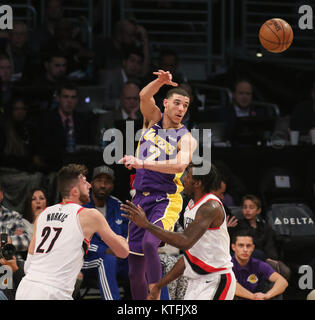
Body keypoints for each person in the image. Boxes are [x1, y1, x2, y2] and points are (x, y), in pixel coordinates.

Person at [119, 69, 197, 300]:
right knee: (134, 268)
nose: (181, 109)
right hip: (140, 198)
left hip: (166, 199)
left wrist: (141, 163)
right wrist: (160, 81)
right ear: (165, 103)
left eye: (185, 105)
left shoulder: (186, 137)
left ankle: (157, 295)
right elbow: (144, 96)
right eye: (177, 103)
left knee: (150, 243)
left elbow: (179, 166)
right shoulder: (151, 119)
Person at [121, 162, 236, 300]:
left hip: (216, 279)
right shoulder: (190, 206)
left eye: (188, 175)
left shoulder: (210, 207)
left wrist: (146, 224)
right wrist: (158, 286)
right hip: (195, 281)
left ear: (198, 183)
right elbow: (187, 257)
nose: (183, 178)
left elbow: (184, 241)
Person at [15, 163, 129, 300]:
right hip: (53, 292)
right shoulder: (89, 215)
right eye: (85, 182)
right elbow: (123, 251)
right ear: (74, 191)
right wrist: (123, 239)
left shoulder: (43, 214)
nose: (89, 186)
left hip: (26, 288)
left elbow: (30, 261)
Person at [81, 165, 129, 300]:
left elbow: (128, 235)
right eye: (99, 180)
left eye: (107, 181)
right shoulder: (81, 206)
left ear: (112, 185)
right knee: (107, 259)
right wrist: (105, 250)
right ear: (91, 184)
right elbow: (77, 241)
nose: (103, 185)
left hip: (118, 258)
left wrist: (123, 248)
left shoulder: (118, 206)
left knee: (144, 262)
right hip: (88, 260)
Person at [34, 82, 93, 170]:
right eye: (65, 97)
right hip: (54, 166)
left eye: (73, 97)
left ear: (77, 100)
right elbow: (44, 148)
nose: (69, 101)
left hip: (79, 165)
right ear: (58, 98)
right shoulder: (46, 119)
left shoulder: (83, 120)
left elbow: (87, 145)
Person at [231, 229, 288, 300]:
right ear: (233, 247)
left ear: (253, 248)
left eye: (248, 246)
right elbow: (231, 286)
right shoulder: (227, 265)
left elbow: (282, 281)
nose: (245, 249)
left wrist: (267, 295)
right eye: (241, 245)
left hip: (258, 297)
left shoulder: (258, 264)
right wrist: (253, 297)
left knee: (275, 288)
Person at [229, 194, 279, 261]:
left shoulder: (264, 227)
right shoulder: (237, 225)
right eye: (245, 207)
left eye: (251, 207)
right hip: (247, 258)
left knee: (284, 269)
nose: (247, 210)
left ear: (258, 210)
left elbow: (270, 246)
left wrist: (271, 258)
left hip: (264, 259)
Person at [0, 182, 30, 254]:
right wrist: (10, 239)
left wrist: (4, 240)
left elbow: (25, 242)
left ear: (1, 195)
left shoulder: (14, 216)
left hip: (9, 262)